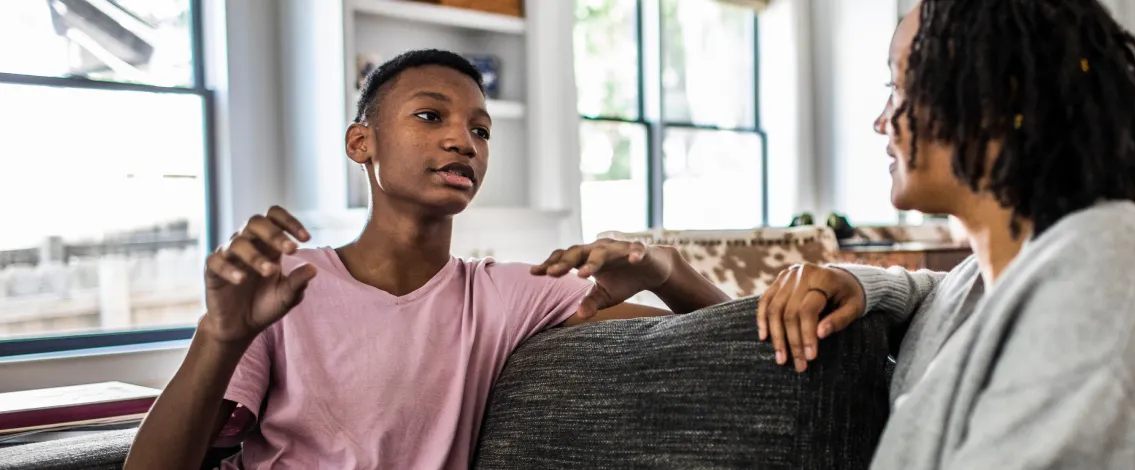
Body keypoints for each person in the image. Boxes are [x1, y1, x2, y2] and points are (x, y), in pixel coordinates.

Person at [124, 49, 729, 470]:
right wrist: (220, 334)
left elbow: (727, 341)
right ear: (361, 142)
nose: (463, 141)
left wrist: (668, 269)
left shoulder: (505, 295)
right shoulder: (283, 284)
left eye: (481, 130)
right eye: (430, 115)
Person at [755, 1, 1135, 468]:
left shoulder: (1102, 281)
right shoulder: (1004, 268)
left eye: (897, 88)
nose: (881, 120)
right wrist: (859, 284)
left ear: (994, 97)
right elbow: (944, 297)